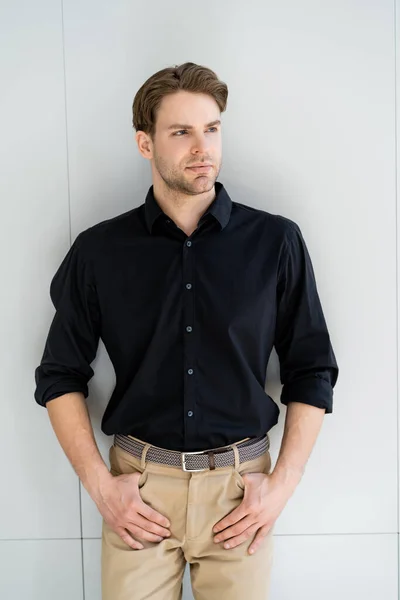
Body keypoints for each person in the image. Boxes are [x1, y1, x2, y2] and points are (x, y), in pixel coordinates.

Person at [34, 61, 339, 599]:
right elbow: (59, 375)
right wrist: (100, 488)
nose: (203, 147)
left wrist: (283, 485)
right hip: (139, 493)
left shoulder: (276, 242)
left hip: (240, 493)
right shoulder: (100, 252)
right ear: (145, 143)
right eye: (181, 132)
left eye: (212, 128)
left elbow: (311, 369)